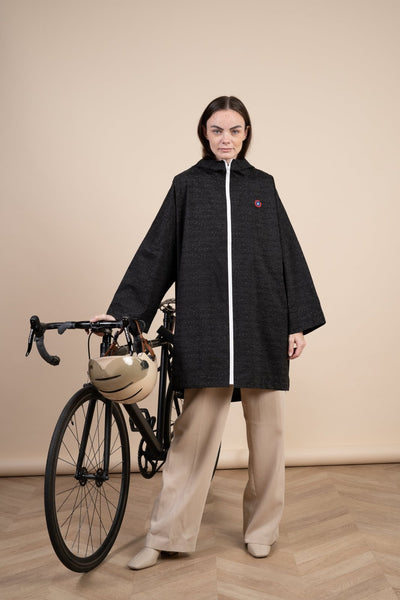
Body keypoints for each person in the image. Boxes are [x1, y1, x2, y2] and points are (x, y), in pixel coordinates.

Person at [92, 95, 325, 570]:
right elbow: (156, 253)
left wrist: (296, 322)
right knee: (192, 435)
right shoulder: (187, 187)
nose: (226, 139)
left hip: (262, 323)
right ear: (205, 133)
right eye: (217, 130)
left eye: (235, 130)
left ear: (246, 133)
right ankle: (167, 535)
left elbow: (288, 254)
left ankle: (263, 530)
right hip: (207, 324)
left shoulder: (262, 186)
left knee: (269, 436)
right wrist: (124, 314)